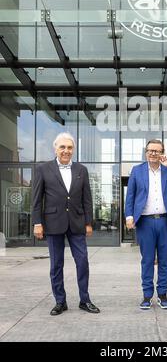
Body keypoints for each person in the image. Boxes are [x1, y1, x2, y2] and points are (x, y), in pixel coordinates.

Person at [32, 132, 100, 316]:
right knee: (56, 264)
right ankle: (60, 301)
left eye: (69, 147)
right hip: (52, 223)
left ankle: (84, 300)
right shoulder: (43, 169)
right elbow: (37, 199)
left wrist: (88, 222)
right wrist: (37, 222)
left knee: (83, 262)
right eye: (62, 147)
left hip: (77, 223)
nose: (66, 151)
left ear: (73, 150)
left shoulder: (81, 170)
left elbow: (87, 199)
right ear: (55, 149)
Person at [125, 139, 167, 310]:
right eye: (150, 150)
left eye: (157, 151)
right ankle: (146, 296)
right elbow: (130, 196)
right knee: (147, 260)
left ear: (162, 153)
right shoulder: (137, 171)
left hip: (166, 222)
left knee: (164, 261)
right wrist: (129, 216)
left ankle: (163, 295)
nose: (153, 153)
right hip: (145, 222)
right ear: (146, 152)